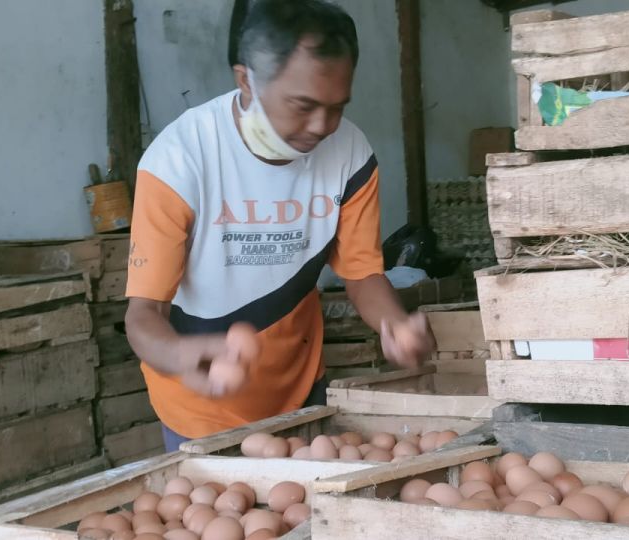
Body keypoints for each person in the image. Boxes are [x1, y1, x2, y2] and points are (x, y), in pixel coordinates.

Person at [124, 0, 435, 452]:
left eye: (337, 107)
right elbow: (143, 315)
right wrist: (181, 357)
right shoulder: (178, 161)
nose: (322, 126)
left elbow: (362, 273)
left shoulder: (351, 154)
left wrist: (397, 326)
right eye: (303, 105)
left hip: (302, 397)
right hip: (199, 408)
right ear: (246, 81)